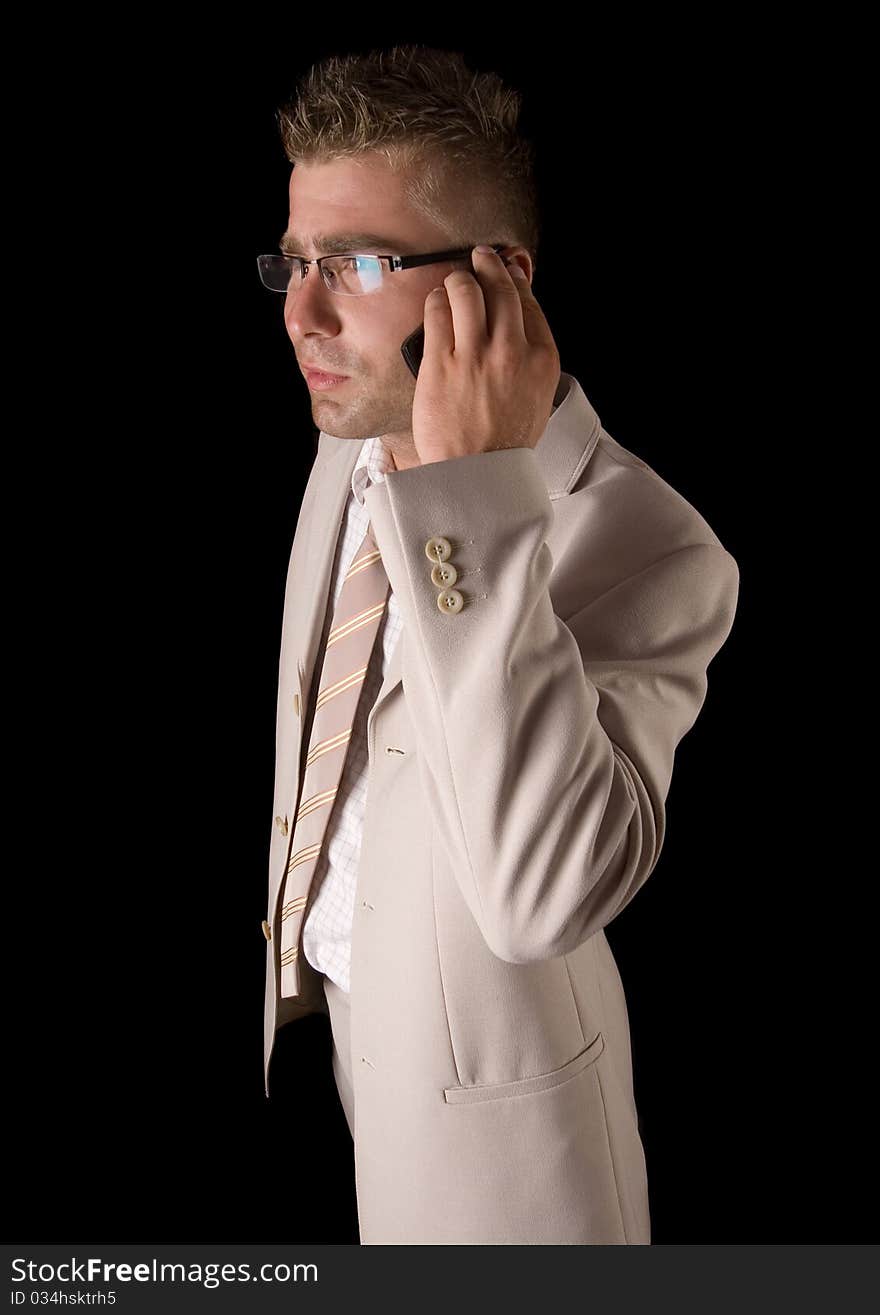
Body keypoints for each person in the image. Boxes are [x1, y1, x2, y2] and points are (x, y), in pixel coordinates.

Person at [258, 44, 740, 1245]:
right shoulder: (347, 439)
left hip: (511, 1165)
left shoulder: (654, 548)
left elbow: (542, 898)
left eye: (357, 265)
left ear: (497, 281)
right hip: (355, 1057)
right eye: (296, 260)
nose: (302, 313)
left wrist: (474, 492)